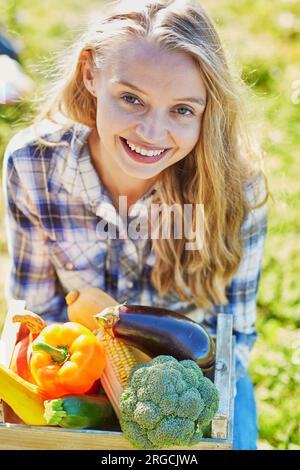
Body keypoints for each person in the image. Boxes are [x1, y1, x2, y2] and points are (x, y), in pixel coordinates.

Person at [2, 0, 269, 450]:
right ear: (90, 73)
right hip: (78, 384)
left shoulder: (235, 189)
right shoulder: (33, 165)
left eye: (182, 109)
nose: (151, 131)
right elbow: (39, 313)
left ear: (209, 109)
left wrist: (202, 414)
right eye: (131, 98)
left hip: (192, 389)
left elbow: (234, 334)